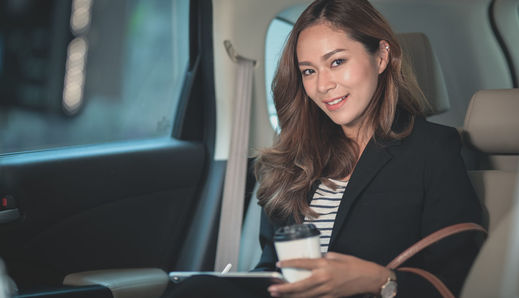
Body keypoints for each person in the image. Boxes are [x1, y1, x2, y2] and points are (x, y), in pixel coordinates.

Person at [165, 0, 486, 297]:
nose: (322, 85)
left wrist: (380, 281)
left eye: (337, 61)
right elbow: (272, 268)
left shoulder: (432, 150)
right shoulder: (295, 158)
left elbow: (455, 280)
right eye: (309, 71)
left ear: (382, 56)